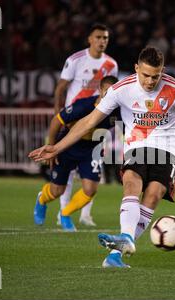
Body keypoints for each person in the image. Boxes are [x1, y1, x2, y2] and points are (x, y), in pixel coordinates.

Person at [29, 47, 175, 268]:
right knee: (131, 182)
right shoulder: (121, 89)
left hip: (167, 149)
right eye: (145, 75)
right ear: (136, 69)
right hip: (136, 146)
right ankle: (125, 238)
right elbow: (88, 121)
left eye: (156, 76)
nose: (150, 81)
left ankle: (116, 255)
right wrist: (57, 147)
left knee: (153, 196)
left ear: (162, 72)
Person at [33, 76, 120, 231]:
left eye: (114, 93)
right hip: (68, 146)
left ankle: (65, 213)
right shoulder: (83, 106)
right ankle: (42, 199)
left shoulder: (118, 111)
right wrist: (51, 147)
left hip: (91, 150)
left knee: (90, 189)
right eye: (107, 92)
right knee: (56, 191)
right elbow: (56, 121)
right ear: (100, 90)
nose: (110, 96)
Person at [53, 23, 119, 227]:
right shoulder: (75, 60)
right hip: (75, 120)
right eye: (98, 37)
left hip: (99, 123)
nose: (102, 41)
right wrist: (58, 113)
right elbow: (61, 88)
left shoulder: (111, 64)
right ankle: (62, 213)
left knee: (93, 172)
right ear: (89, 39)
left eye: (105, 38)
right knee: (69, 171)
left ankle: (85, 214)